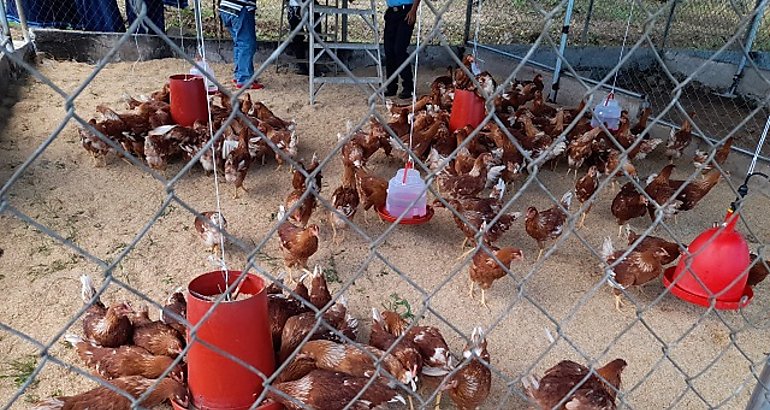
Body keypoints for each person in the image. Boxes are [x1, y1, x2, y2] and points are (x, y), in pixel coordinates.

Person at [219, 0, 264, 89]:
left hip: (225, 7)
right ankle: (244, 79)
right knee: (246, 44)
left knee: (239, 43)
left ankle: (239, 75)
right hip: (240, 8)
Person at [383, 0, 420, 99]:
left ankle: (408, 86)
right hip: (391, 12)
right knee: (389, 51)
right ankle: (391, 87)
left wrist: (413, 10)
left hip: (406, 11)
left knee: (399, 49)